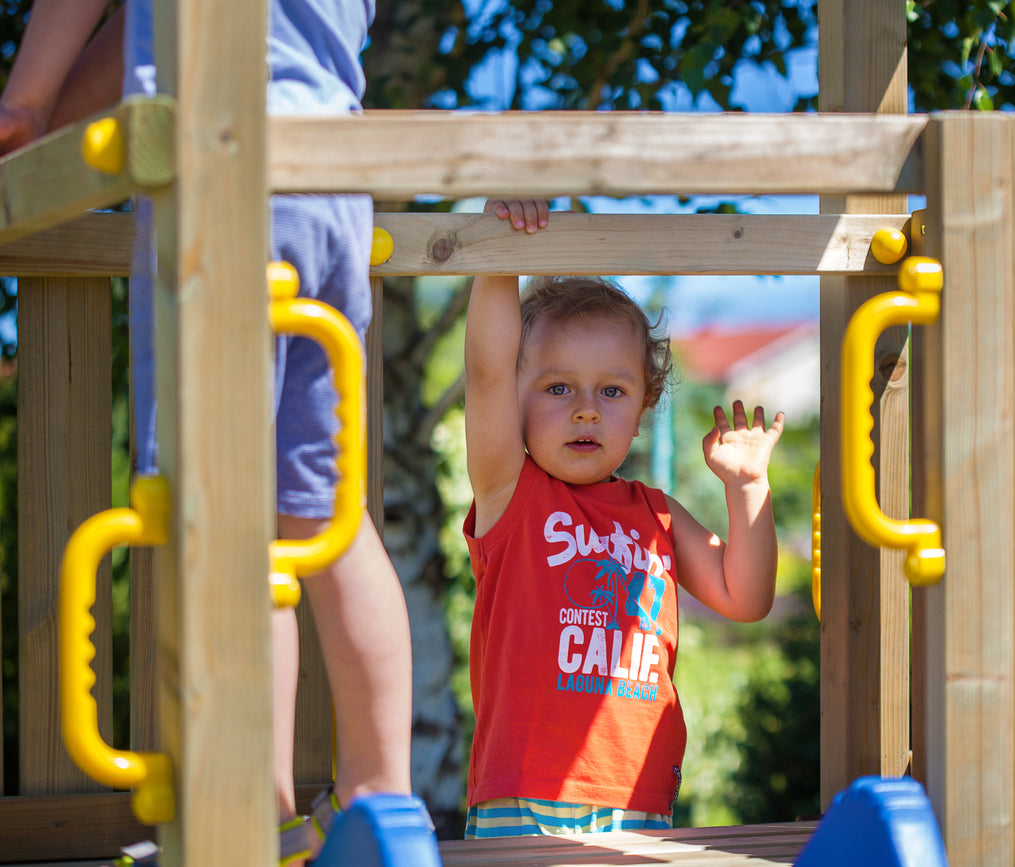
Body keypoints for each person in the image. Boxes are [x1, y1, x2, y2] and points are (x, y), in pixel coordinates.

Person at [0, 2, 434, 864]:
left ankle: (254, 821)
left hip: (218, 172)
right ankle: (386, 810)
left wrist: (24, 107)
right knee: (324, 520)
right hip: (335, 180)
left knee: (228, 526)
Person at [462, 198, 785, 838]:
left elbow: (745, 597)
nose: (586, 411)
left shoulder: (656, 515)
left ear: (643, 407)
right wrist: (499, 258)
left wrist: (748, 488)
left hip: (638, 801)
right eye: (558, 388)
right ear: (517, 400)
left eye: (612, 391)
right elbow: (486, 371)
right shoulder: (512, 494)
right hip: (523, 800)